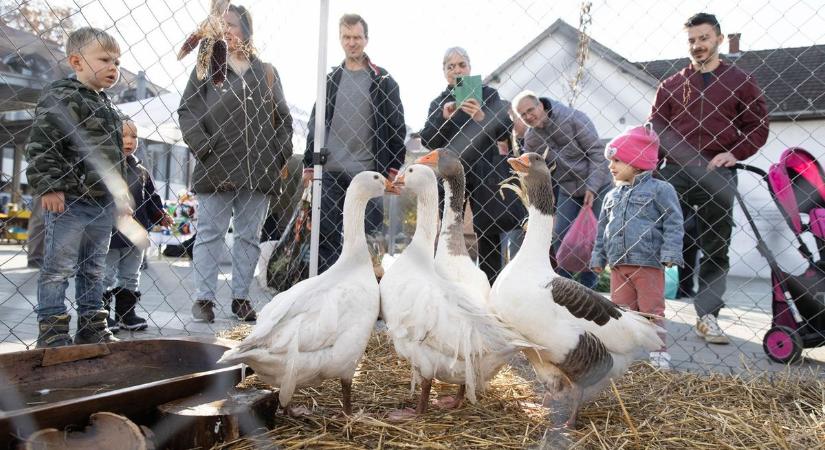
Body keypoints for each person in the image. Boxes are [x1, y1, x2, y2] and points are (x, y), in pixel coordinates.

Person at [649, 12, 769, 344]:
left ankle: (707, 317)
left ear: (718, 38)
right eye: (692, 40)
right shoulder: (671, 85)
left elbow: (757, 126)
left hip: (718, 173)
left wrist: (735, 153)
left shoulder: (740, 81)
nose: (697, 46)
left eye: (703, 38)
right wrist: (651, 169)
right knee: (655, 238)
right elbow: (656, 130)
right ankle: (646, 313)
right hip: (675, 172)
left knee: (717, 246)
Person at [178, 4, 293, 323]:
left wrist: (278, 154)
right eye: (221, 25)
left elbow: (283, 119)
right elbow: (187, 111)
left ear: (246, 31)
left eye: (233, 25)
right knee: (210, 234)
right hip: (216, 167)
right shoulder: (206, 67)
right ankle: (204, 299)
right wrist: (205, 146)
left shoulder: (266, 72)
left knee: (248, 237)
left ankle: (241, 298)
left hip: (259, 171)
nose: (226, 30)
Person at [24, 27, 124, 348]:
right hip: (69, 201)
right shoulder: (63, 95)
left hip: (102, 203)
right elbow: (42, 144)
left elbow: (115, 160)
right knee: (58, 268)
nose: (114, 67)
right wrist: (50, 186)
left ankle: (92, 324)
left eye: (117, 61)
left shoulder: (108, 106)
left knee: (95, 269)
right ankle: (52, 330)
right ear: (77, 62)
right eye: (105, 59)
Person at [302, 13, 406, 273]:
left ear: (366, 39)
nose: (352, 43)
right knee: (326, 237)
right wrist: (308, 165)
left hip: (368, 172)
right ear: (340, 39)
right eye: (347, 37)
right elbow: (315, 124)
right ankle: (328, 293)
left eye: (357, 37)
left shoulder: (383, 81)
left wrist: (392, 169)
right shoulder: (329, 80)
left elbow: (397, 127)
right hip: (331, 171)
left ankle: (367, 292)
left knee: (368, 238)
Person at [419, 47, 525, 281]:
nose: (457, 70)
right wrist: (443, 118)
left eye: (461, 65)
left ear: (470, 67)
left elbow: (505, 132)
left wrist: (481, 117)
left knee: (488, 230)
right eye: (451, 66)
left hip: (486, 170)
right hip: (451, 172)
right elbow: (428, 139)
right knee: (449, 229)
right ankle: (447, 281)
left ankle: (490, 285)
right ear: (445, 72)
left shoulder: (488, 95)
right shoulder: (440, 103)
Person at [590, 125, 684, 370]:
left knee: (652, 310)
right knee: (621, 312)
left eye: (617, 160)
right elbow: (602, 230)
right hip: (619, 265)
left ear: (637, 160)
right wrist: (598, 256)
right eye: (611, 161)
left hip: (648, 263)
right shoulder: (612, 196)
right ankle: (624, 353)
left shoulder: (660, 190)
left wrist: (671, 253)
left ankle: (658, 352)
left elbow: (674, 221)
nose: (611, 166)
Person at [514, 90, 611, 289]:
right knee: (559, 234)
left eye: (530, 110)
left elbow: (596, 152)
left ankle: (588, 286)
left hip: (598, 184)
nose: (528, 116)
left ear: (540, 105)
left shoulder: (573, 118)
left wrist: (592, 187)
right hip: (568, 188)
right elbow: (533, 168)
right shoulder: (532, 137)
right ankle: (564, 285)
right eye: (522, 115)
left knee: (591, 238)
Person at [102, 118, 173, 333]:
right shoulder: (106, 167)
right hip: (111, 233)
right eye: (123, 135)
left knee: (131, 274)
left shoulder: (140, 169)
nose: (129, 140)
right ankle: (101, 314)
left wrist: (160, 214)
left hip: (136, 233)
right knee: (106, 274)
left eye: (133, 136)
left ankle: (125, 314)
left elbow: (151, 197)